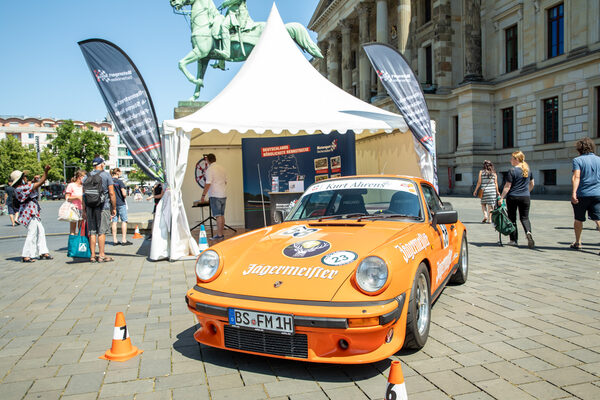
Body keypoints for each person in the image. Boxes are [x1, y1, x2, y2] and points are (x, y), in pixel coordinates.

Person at [11, 166, 53, 262]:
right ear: (20, 179)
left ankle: (43, 251)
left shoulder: (21, 187)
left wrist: (33, 180)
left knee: (40, 230)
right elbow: (41, 182)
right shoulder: (21, 188)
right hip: (29, 212)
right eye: (24, 176)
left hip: (33, 211)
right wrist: (45, 172)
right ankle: (26, 254)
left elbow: (31, 184)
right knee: (32, 233)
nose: (26, 178)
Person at [498, 151, 535, 248]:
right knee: (525, 217)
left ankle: (514, 240)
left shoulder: (512, 171)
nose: (510, 160)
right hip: (525, 197)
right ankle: (528, 232)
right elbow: (532, 184)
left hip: (513, 197)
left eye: (512, 158)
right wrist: (527, 192)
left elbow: (507, 186)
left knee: (512, 218)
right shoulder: (528, 170)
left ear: (516, 159)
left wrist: (501, 198)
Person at [83, 157, 117, 263]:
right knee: (101, 231)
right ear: (102, 165)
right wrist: (114, 207)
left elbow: (83, 194)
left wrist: (84, 209)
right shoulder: (106, 175)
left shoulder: (86, 176)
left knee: (92, 231)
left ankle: (93, 256)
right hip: (103, 206)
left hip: (90, 207)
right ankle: (101, 255)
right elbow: (111, 193)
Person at [570, 137, 600, 253]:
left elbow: (576, 177)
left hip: (582, 194)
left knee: (578, 219)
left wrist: (573, 193)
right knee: (598, 219)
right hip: (597, 193)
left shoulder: (577, 160)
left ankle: (578, 242)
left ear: (579, 148)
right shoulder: (599, 159)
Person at [201, 153, 227, 240]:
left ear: (208, 160)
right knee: (222, 215)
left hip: (215, 195)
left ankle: (219, 235)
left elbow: (208, 183)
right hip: (223, 194)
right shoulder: (222, 168)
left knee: (218, 215)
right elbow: (225, 182)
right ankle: (221, 234)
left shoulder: (210, 169)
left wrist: (203, 195)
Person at [110, 168, 132, 246]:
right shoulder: (120, 182)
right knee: (124, 220)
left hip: (112, 204)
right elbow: (124, 193)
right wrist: (124, 196)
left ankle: (115, 240)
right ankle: (124, 240)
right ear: (118, 173)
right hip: (121, 203)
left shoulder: (109, 182)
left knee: (114, 221)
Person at [65, 169, 86, 235]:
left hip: (82, 209)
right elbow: (67, 198)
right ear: (80, 177)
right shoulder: (71, 185)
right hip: (73, 208)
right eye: (84, 177)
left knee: (81, 228)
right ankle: (73, 243)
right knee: (73, 228)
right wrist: (77, 197)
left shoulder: (84, 186)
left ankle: (80, 243)